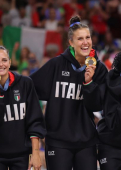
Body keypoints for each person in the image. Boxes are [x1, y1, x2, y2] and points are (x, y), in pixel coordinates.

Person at [30, 15, 107, 170]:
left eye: (88, 37)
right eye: (80, 39)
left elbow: (97, 104)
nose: (85, 42)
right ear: (71, 42)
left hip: (87, 142)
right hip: (57, 142)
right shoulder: (56, 65)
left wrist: (89, 82)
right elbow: (29, 88)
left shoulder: (99, 69)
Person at [0, 45, 46, 170]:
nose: (0, 64)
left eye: (4, 60)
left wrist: (35, 153)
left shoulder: (25, 83)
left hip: (21, 154)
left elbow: (34, 120)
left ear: (10, 62)